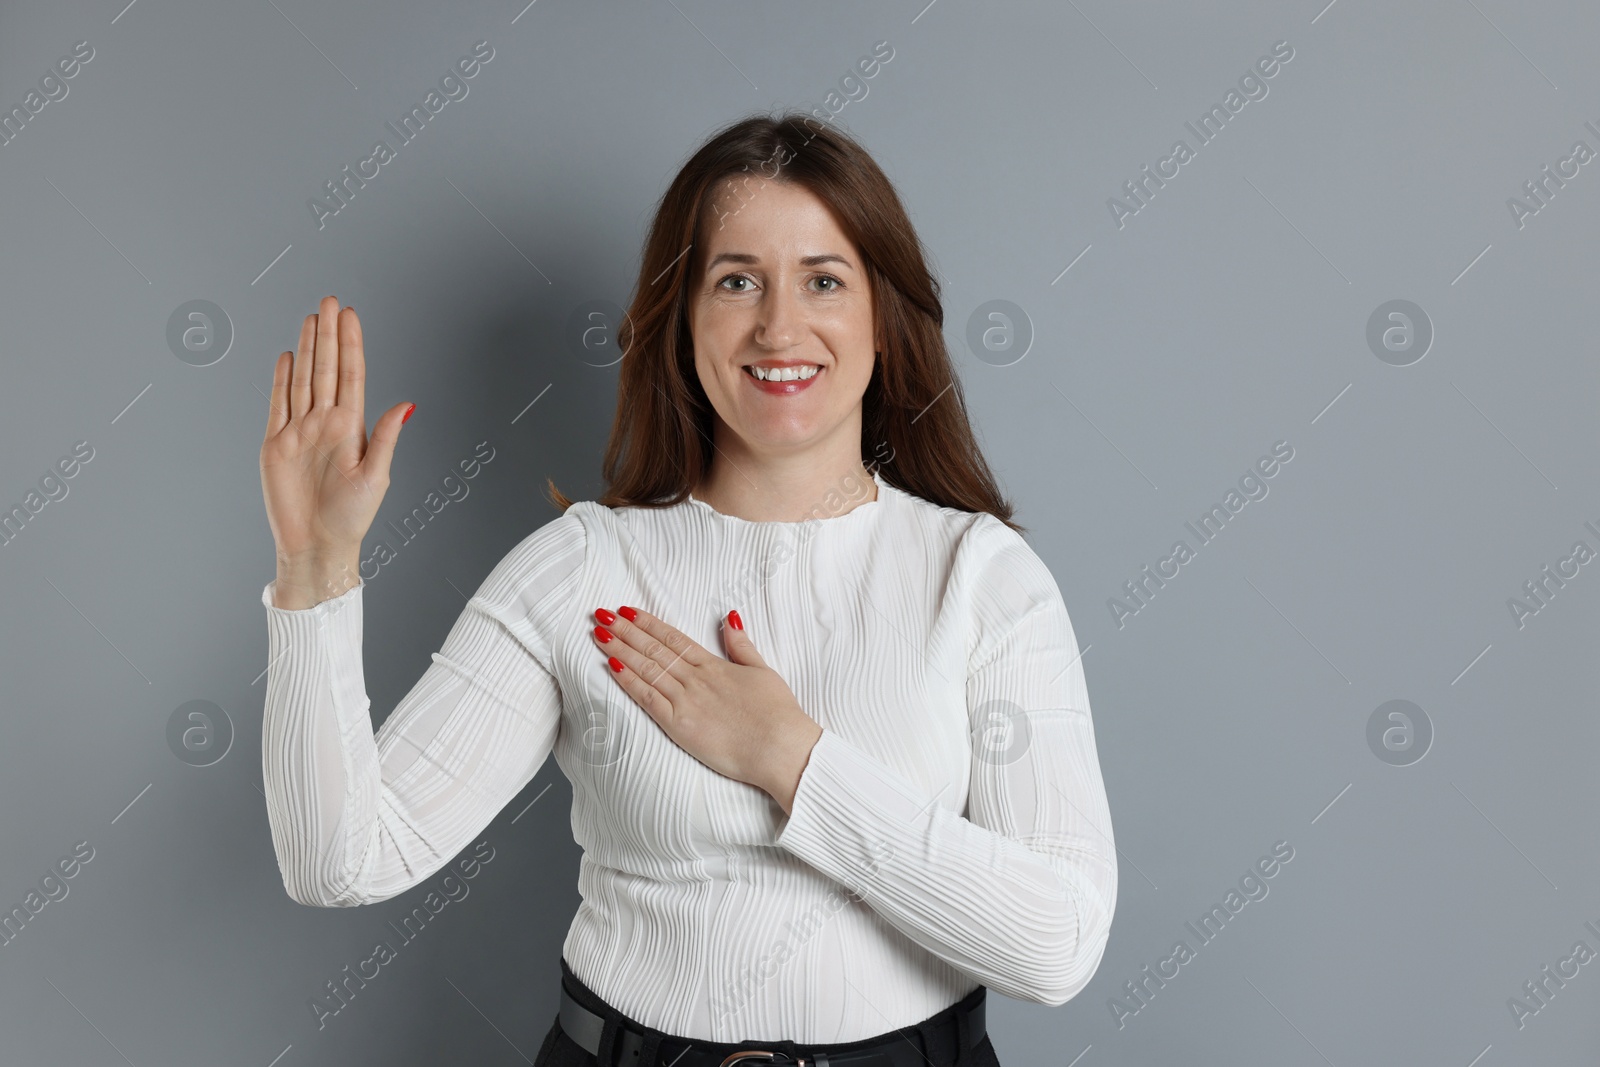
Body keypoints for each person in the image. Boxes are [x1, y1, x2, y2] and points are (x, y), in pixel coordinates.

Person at [257, 112, 1116, 1067]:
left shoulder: (982, 578)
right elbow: (343, 858)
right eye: (737, 280)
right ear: (684, 318)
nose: (779, 326)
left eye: (824, 281)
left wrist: (789, 758)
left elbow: (1058, 944)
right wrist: (314, 572)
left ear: (884, 316)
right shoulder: (582, 569)